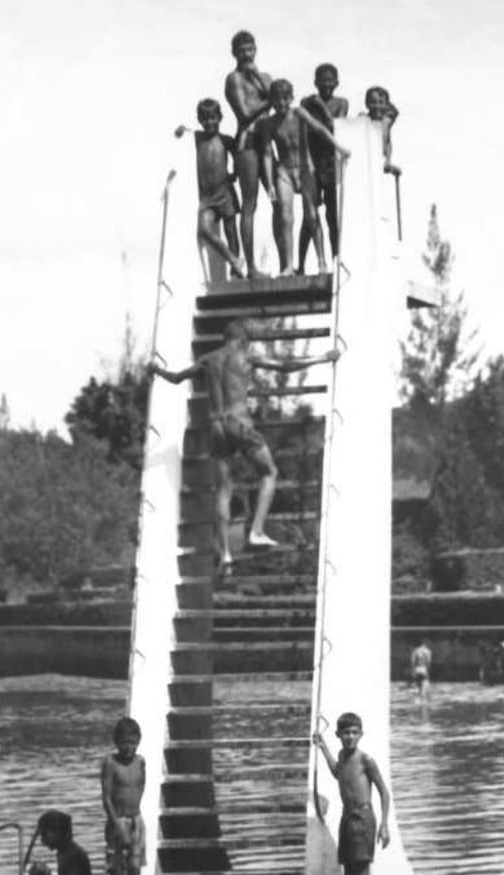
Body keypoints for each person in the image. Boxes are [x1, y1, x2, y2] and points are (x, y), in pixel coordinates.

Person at [148, 320, 340, 571]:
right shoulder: (245, 356)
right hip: (239, 424)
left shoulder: (208, 360)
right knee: (269, 472)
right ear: (241, 340)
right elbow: (285, 366)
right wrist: (323, 357)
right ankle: (256, 531)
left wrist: (156, 370)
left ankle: (225, 553)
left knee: (223, 489)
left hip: (215, 427)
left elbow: (175, 378)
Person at [311, 712, 391, 875]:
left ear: (361, 734)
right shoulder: (342, 757)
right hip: (347, 819)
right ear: (338, 735)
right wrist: (323, 747)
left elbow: (384, 792)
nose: (350, 737)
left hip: (363, 818)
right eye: (346, 733)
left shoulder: (365, 760)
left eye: (354, 732)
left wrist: (385, 825)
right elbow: (338, 773)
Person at [254, 79, 344, 276]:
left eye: (285, 100)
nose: (281, 104)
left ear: (291, 98)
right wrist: (269, 184)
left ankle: (321, 261)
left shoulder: (299, 113)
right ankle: (287, 265)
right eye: (277, 101)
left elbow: (320, 129)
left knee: (312, 215)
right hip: (285, 171)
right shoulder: (268, 123)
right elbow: (268, 154)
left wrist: (339, 148)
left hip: (305, 169)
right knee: (286, 217)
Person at [176, 99, 246, 280]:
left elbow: (239, 157)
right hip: (207, 198)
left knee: (231, 231)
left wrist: (235, 174)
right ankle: (233, 260)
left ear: (220, 118)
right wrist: (181, 129)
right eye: (205, 119)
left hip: (226, 193)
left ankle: (235, 271)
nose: (209, 123)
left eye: (213, 118)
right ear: (199, 120)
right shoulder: (198, 138)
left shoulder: (226, 140)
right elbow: (186, 131)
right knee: (204, 230)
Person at [223, 29, 273, 278]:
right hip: (246, 144)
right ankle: (251, 266)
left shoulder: (263, 76)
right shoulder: (233, 79)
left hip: (266, 142)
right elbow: (244, 112)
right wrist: (270, 100)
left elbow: (275, 96)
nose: (246, 54)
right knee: (250, 205)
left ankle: (286, 264)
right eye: (242, 50)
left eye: (250, 49)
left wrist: (259, 78)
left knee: (279, 200)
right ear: (234, 53)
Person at [100, 717, 151, 875]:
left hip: (136, 822)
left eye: (132, 742)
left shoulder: (141, 762)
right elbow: (107, 798)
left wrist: (134, 826)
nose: (128, 747)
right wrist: (119, 828)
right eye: (123, 743)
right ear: (116, 742)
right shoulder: (110, 763)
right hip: (117, 823)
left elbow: (140, 789)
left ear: (138, 742)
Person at [298, 63, 348, 271]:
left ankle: (336, 258)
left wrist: (319, 105)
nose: (327, 84)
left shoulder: (341, 103)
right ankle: (300, 263)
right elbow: (305, 131)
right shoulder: (305, 103)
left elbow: (335, 126)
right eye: (322, 80)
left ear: (336, 82)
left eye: (330, 80)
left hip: (332, 164)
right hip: (313, 162)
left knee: (332, 216)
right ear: (315, 82)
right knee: (308, 216)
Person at [362, 86, 400, 176]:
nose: (377, 106)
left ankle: (387, 161)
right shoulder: (364, 118)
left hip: (382, 155)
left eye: (381, 102)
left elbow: (394, 111)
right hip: (367, 155)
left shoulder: (387, 120)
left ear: (386, 105)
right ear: (367, 104)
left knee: (385, 124)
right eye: (373, 102)